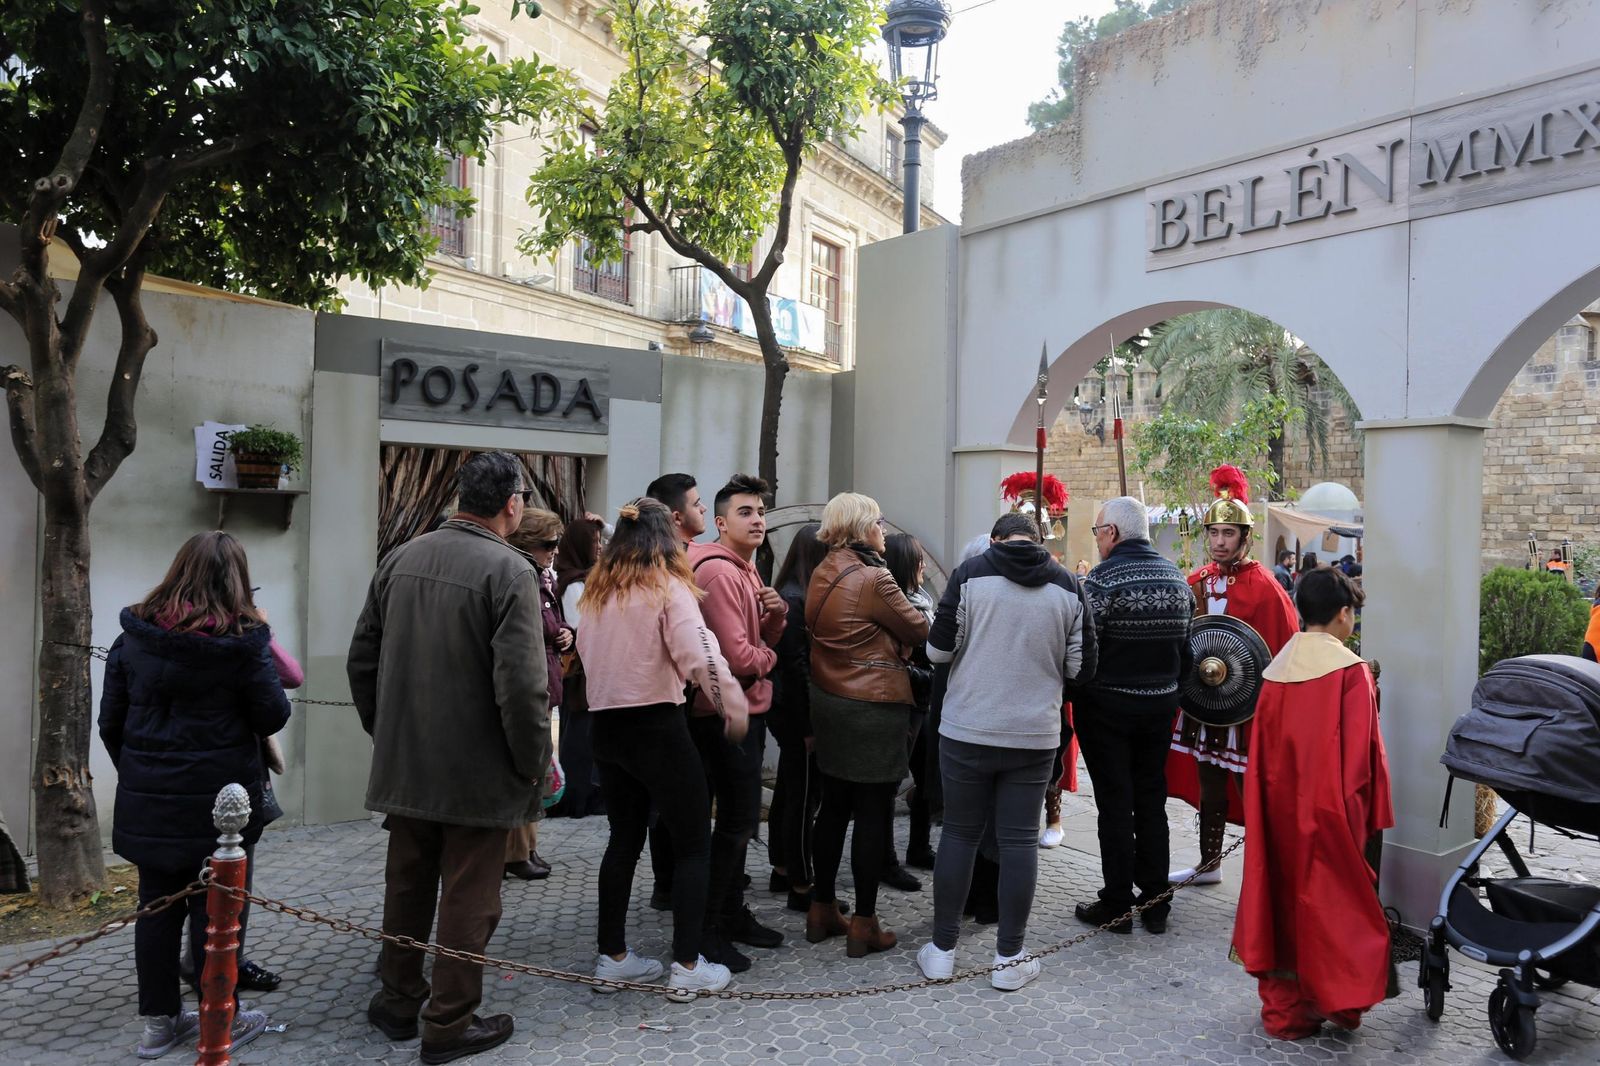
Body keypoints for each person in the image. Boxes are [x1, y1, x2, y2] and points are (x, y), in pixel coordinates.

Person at [347, 451, 550, 1064]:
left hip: (408, 762)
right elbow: (522, 686)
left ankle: (398, 1000)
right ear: (512, 503)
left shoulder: (400, 558)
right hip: (477, 772)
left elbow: (362, 659)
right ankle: (449, 1023)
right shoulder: (510, 571)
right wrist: (531, 764)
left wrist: (388, 735)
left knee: (406, 883)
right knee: (470, 896)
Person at [99, 531, 288, 1059]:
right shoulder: (243, 642)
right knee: (218, 912)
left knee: (156, 911)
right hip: (223, 805)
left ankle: (160, 1026)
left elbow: (109, 722)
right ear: (237, 580)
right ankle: (217, 1022)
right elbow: (273, 713)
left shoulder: (132, 637)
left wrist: (142, 776)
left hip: (150, 803)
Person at [576, 497, 749, 999]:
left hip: (605, 728)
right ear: (667, 541)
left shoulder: (597, 591)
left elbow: (586, 654)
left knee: (623, 840)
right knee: (694, 843)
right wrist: (731, 704)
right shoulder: (667, 586)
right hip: (657, 726)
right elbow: (699, 654)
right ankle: (688, 966)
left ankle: (613, 958)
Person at [917, 513, 1094, 990]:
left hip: (967, 727)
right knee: (1018, 842)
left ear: (996, 540)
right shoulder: (1069, 586)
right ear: (1038, 542)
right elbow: (1081, 669)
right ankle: (1009, 958)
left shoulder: (970, 575)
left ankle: (942, 951)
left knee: (959, 834)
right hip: (1033, 734)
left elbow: (936, 651)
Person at [1233, 568, 1394, 1039]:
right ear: (1345, 614)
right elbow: (1365, 758)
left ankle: (1285, 1012)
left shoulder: (1276, 670)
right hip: (1331, 814)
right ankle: (1340, 1002)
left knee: (1280, 899)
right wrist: (1369, 815)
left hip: (1276, 814)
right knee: (1337, 904)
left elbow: (1258, 756)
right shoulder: (1350, 672)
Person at [804, 492, 930, 957]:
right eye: (878, 520)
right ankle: (864, 923)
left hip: (829, 699)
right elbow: (919, 630)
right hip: (872, 705)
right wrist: (894, 643)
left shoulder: (822, 570)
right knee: (873, 811)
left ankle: (820, 909)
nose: (883, 528)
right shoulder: (875, 578)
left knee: (834, 806)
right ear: (862, 527)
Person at [1168, 466, 1299, 886]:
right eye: (1214, 533)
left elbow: (1283, 647)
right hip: (1205, 701)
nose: (1220, 541)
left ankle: (1264, 881)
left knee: (1252, 788)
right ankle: (1210, 864)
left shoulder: (1265, 587)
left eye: (1228, 533)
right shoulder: (1197, 582)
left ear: (1245, 538)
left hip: (1249, 708)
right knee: (1210, 779)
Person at [1073, 497, 1193, 935]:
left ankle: (1118, 904)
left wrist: (1079, 692)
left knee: (1114, 805)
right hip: (1159, 709)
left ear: (1112, 534)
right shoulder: (1178, 580)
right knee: (1150, 801)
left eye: (1097, 531)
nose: (1098, 540)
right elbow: (1188, 653)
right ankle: (1156, 904)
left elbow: (1085, 651)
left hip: (1107, 711)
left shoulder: (1100, 582)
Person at [686, 474, 787, 971]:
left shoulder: (742, 569)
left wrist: (776, 616)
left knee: (736, 823)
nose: (759, 520)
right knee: (734, 825)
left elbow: (753, 638)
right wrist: (770, 652)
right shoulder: (723, 573)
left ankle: (728, 913)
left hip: (731, 711)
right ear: (721, 523)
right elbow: (741, 659)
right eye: (746, 512)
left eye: (761, 512)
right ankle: (711, 928)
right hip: (727, 713)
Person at [641, 472, 707, 910]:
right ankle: (671, 887)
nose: (704, 512)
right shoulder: (660, 569)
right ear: (678, 516)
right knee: (667, 804)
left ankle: (671, 883)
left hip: (681, 697)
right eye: (699, 505)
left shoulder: (688, 558)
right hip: (663, 700)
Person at [504, 508, 575, 880]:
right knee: (527, 773)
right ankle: (516, 852)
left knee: (539, 772)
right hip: (530, 691)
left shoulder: (542, 578)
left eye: (557, 543)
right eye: (548, 544)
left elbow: (551, 625)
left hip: (546, 688)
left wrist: (565, 634)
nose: (555, 551)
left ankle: (527, 847)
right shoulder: (519, 577)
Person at [767, 524, 831, 912]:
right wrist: (808, 726)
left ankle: (781, 868)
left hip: (788, 710)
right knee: (804, 798)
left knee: (792, 791)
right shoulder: (795, 599)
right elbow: (795, 668)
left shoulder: (790, 593)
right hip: (795, 714)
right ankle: (801, 883)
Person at [884, 532, 936, 879]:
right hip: (904, 703)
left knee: (929, 780)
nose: (924, 565)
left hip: (924, 704)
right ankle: (885, 861)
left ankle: (919, 847)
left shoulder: (923, 601)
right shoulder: (893, 607)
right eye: (918, 559)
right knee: (888, 785)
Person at [553, 513, 607, 819]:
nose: (599, 547)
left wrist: (604, 527)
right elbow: (582, 629)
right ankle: (577, 798)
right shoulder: (575, 583)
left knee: (584, 737)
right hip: (582, 673)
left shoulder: (584, 577)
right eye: (594, 541)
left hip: (585, 673)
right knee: (580, 739)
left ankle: (583, 795)